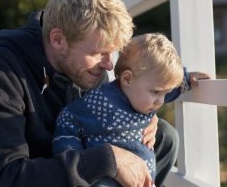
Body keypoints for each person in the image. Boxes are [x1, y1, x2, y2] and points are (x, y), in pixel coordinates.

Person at [0, 0, 191, 187]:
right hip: (0, 180)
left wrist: (144, 118)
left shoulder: (86, 67)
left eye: (112, 52)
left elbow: (116, 103)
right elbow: (8, 177)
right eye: (99, 52)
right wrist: (107, 159)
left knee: (165, 138)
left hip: (56, 161)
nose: (109, 65)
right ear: (58, 39)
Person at [52, 33, 209, 186]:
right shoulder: (102, 101)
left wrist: (187, 79)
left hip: (142, 178)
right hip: (109, 178)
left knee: (171, 136)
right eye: (155, 92)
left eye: (165, 94)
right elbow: (69, 117)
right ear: (127, 79)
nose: (160, 101)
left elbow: (167, 89)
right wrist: (71, 154)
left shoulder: (142, 91)